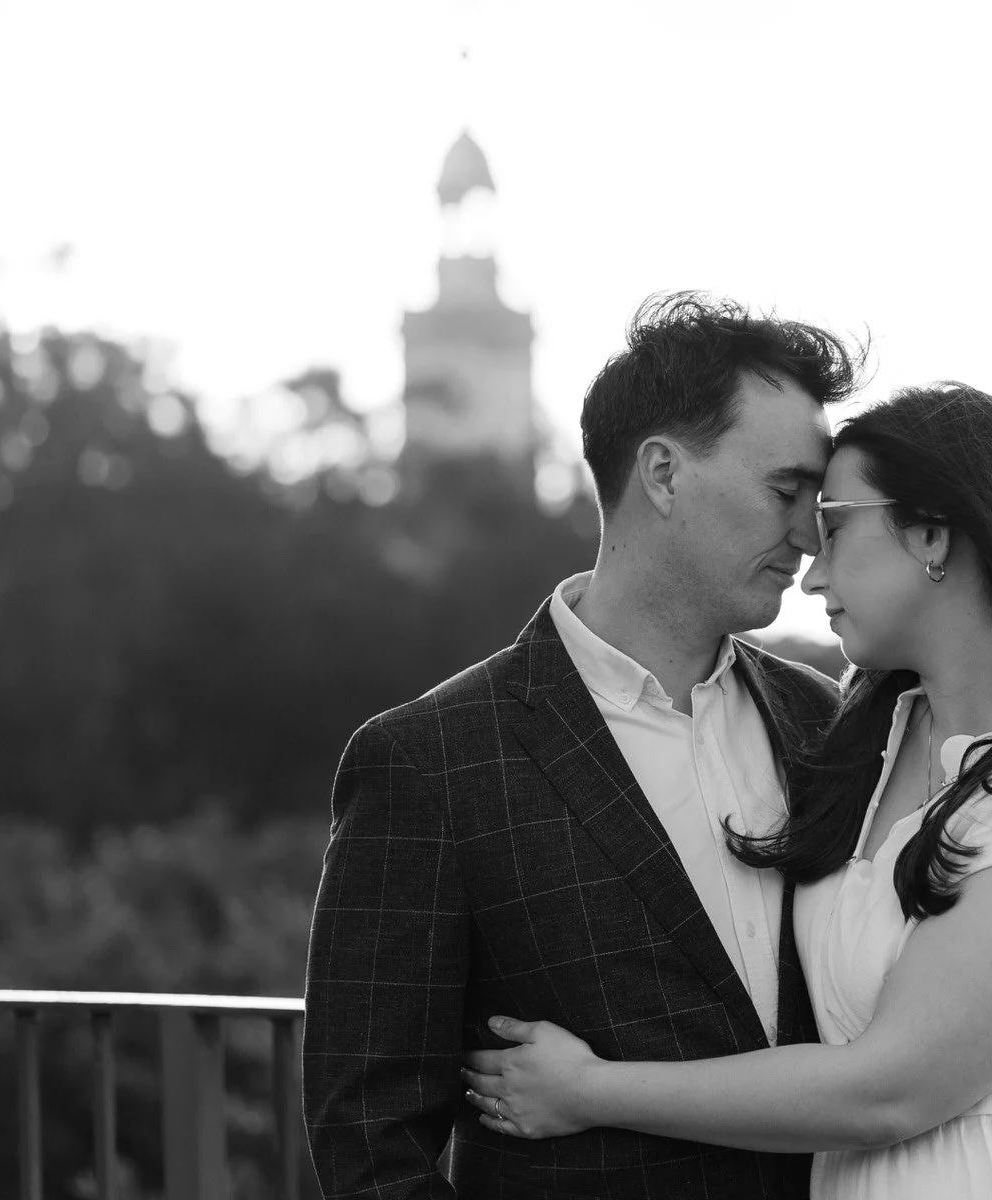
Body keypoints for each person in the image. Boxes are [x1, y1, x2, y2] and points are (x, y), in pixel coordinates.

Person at [460, 382, 992, 1198]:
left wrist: (589, 1090)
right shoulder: (858, 751)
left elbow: (895, 1087)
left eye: (835, 528)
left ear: (930, 534)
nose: (810, 577)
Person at [303, 293, 864, 1199]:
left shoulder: (828, 722)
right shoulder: (429, 763)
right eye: (786, 490)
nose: (809, 536)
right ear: (664, 474)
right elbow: (368, 1139)